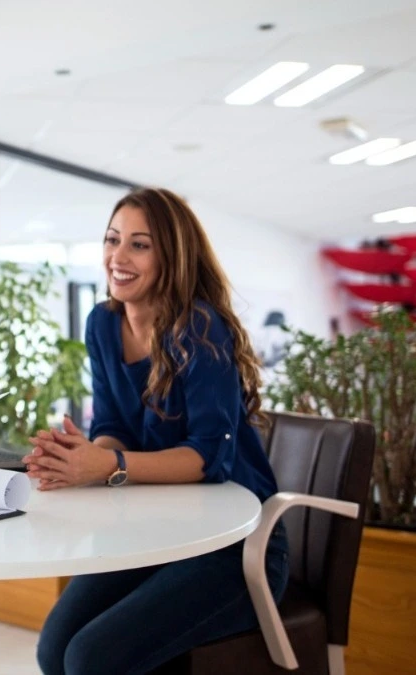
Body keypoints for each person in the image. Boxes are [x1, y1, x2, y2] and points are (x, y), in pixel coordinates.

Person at [23, 187, 288, 675]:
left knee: (90, 659)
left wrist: (108, 465)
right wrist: (84, 457)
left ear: (172, 256)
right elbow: (112, 426)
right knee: (53, 647)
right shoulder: (102, 323)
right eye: (112, 239)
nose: (117, 257)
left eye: (139, 245)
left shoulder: (201, 329)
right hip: (156, 531)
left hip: (236, 545)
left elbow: (211, 458)